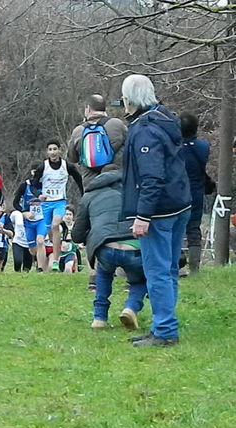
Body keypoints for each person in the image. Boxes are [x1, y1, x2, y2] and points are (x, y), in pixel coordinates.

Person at [121, 74, 191, 347]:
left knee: (158, 271)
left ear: (130, 100)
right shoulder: (165, 118)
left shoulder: (144, 130)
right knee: (170, 269)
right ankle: (164, 323)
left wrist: (142, 216)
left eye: (124, 98)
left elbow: (151, 177)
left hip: (159, 211)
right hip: (179, 204)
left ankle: (164, 330)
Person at [73, 165, 148, 330]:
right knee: (140, 280)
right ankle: (131, 308)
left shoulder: (89, 195)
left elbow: (76, 235)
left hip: (105, 246)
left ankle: (99, 318)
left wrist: (92, 232)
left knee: (104, 273)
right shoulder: (136, 192)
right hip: (134, 247)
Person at [30, 139, 83, 271]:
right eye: (50, 150)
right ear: (47, 152)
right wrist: (38, 195)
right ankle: (55, 254)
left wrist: (84, 194)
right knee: (50, 232)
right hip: (46, 203)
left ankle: (55, 260)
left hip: (60, 201)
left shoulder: (67, 166)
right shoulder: (43, 167)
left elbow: (79, 180)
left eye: (55, 149)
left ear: (60, 150)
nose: (53, 152)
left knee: (55, 225)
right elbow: (33, 186)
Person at [68, 94, 127, 186]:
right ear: (104, 109)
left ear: (88, 109)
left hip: (91, 186)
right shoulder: (117, 125)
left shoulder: (78, 131)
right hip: (115, 183)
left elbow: (72, 158)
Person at [180, 112, 210, 274]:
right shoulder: (203, 147)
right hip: (196, 193)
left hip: (177, 193)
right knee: (194, 229)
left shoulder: (174, 148)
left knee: (174, 229)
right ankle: (194, 268)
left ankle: (177, 263)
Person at [12, 178, 47, 272]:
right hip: (29, 221)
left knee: (40, 241)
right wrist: (24, 212)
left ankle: (40, 269)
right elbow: (15, 203)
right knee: (32, 250)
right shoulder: (25, 185)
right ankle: (38, 260)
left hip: (42, 220)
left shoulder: (47, 184)